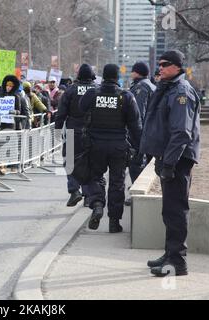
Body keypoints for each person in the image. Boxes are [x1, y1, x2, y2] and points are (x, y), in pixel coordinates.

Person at [140, 50, 200, 277]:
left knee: (175, 211)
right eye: (160, 64)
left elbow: (181, 133)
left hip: (178, 160)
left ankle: (177, 262)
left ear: (177, 67)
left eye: (165, 64)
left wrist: (169, 162)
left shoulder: (181, 92)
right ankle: (170, 254)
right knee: (169, 211)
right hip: (170, 158)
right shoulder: (170, 88)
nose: (160, 68)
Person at [79, 64, 142, 233]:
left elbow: (81, 108)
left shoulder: (93, 93)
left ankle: (98, 204)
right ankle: (114, 222)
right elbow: (135, 125)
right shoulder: (126, 96)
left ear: (103, 76)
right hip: (118, 146)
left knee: (95, 177)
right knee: (117, 183)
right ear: (117, 77)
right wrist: (139, 147)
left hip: (95, 145)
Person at [55, 63, 100, 208]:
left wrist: (57, 131)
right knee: (88, 163)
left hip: (72, 130)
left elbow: (61, 113)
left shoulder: (71, 90)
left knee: (69, 161)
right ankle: (88, 195)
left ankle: (74, 190)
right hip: (92, 132)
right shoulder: (97, 90)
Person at [125, 62, 157, 205]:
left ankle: (136, 198)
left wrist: (136, 136)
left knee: (136, 163)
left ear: (137, 72)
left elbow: (137, 113)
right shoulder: (150, 85)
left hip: (141, 133)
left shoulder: (141, 87)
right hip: (149, 132)